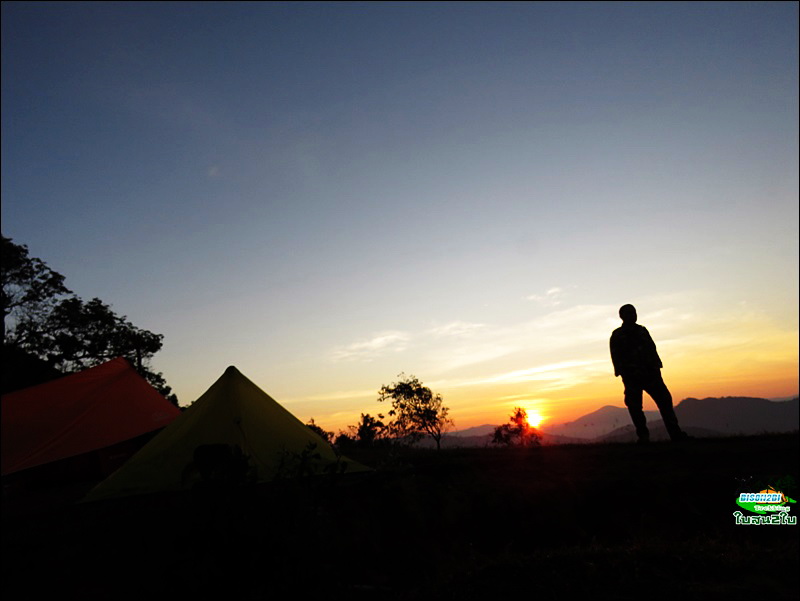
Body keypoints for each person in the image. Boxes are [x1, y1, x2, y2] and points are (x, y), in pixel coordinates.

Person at [609, 304, 689, 443]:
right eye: (629, 313)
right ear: (622, 316)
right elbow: (616, 356)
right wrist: (623, 373)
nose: (633, 315)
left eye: (634, 313)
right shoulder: (617, 335)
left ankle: (675, 434)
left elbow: (652, 348)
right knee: (635, 407)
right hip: (632, 377)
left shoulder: (642, 331)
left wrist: (656, 367)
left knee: (664, 402)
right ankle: (643, 437)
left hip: (651, 374)